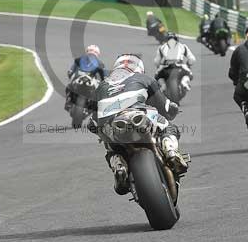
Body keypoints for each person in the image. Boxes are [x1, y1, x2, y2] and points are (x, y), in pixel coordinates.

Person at [94, 54, 188, 195]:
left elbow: (93, 120)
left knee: (110, 147)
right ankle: (170, 150)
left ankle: (119, 166)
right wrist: (173, 109)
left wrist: (98, 129)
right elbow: (165, 107)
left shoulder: (101, 86)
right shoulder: (145, 79)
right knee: (169, 127)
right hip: (139, 115)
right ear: (139, 68)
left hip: (113, 123)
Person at [65, 45, 106, 111]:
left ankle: (69, 101)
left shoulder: (79, 59)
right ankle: (69, 101)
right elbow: (103, 76)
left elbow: (72, 70)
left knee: (69, 86)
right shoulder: (100, 63)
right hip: (84, 79)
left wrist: (71, 73)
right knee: (69, 86)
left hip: (88, 80)